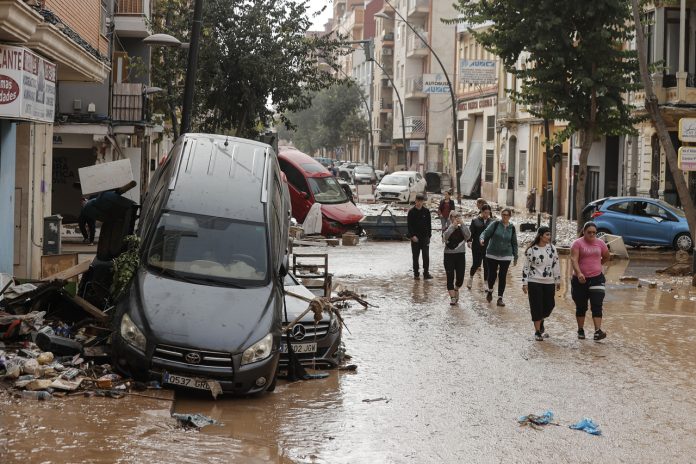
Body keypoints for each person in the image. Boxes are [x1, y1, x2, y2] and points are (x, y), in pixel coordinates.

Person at [570, 221, 610, 341]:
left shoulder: (600, 243)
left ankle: (597, 331)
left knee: (597, 304)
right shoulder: (577, 244)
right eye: (589, 232)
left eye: (594, 233)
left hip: (597, 278)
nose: (592, 235)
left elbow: (607, 256)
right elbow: (573, 259)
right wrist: (579, 273)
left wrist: (599, 264)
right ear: (584, 232)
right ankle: (581, 330)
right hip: (580, 280)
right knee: (581, 306)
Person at [522, 226, 561, 341]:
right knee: (536, 306)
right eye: (547, 235)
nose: (549, 237)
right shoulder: (531, 250)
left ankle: (541, 319)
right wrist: (524, 283)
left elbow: (556, 264)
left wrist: (557, 280)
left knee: (550, 305)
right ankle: (537, 331)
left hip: (549, 282)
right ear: (540, 236)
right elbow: (526, 267)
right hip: (534, 281)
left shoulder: (552, 248)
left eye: (549, 234)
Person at [479, 207, 518, 306]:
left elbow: (514, 243)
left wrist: (516, 256)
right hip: (492, 253)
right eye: (503, 214)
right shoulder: (495, 224)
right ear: (501, 215)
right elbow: (485, 233)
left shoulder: (512, 228)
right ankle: (490, 291)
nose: (505, 216)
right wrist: (482, 239)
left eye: (507, 215)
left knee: (502, 276)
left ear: (510, 216)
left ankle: (500, 298)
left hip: (506, 255)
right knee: (492, 274)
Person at [443, 211, 471, 305]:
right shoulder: (447, 227)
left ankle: (456, 288)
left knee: (460, 278)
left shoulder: (462, 228)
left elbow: (468, 236)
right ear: (451, 218)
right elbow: (444, 238)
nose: (456, 219)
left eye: (458, 217)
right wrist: (452, 227)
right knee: (450, 277)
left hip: (460, 255)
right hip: (449, 255)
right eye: (454, 217)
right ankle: (452, 298)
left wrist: (462, 225)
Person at [467, 204, 493, 289]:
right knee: (476, 264)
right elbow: (471, 232)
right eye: (485, 213)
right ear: (481, 212)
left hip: (488, 247)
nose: (486, 215)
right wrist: (469, 241)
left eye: (488, 213)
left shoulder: (492, 222)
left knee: (487, 265)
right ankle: (470, 278)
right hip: (476, 247)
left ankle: (485, 282)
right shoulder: (475, 221)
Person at [407, 193, 432, 280]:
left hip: (425, 238)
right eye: (418, 201)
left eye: (421, 201)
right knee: (415, 256)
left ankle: (426, 273)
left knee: (426, 256)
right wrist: (412, 236)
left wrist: (429, 236)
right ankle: (416, 273)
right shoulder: (411, 212)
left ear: (423, 202)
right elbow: (409, 226)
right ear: (416, 201)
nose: (420, 203)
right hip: (415, 238)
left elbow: (429, 225)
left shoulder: (426, 211)